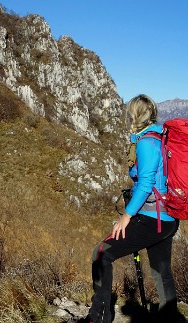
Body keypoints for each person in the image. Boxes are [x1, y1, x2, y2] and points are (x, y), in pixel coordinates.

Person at [86, 94, 180, 322]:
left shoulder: (146, 143)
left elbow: (147, 182)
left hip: (151, 218)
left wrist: (126, 216)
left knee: (101, 253)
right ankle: (171, 318)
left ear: (135, 115)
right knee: (161, 270)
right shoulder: (161, 139)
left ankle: (98, 316)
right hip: (167, 218)